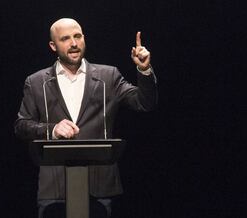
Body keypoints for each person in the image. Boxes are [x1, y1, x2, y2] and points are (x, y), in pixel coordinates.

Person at [14, 18, 157, 218]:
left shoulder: (108, 76)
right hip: (55, 186)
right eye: (65, 39)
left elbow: (144, 103)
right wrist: (52, 130)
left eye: (77, 36)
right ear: (53, 46)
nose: (73, 43)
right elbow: (21, 125)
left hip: (100, 185)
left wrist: (143, 70)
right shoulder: (37, 82)